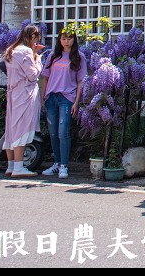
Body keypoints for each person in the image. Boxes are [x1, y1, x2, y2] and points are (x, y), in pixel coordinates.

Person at [39, 28, 87, 179]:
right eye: (64, 38)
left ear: (74, 39)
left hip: (67, 98)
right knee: (53, 133)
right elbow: (45, 78)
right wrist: (42, 98)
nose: (67, 41)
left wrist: (76, 102)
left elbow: (81, 81)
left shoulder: (79, 57)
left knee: (63, 132)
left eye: (70, 38)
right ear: (59, 40)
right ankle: (57, 163)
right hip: (51, 97)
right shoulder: (53, 56)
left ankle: (64, 166)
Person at [3, 24, 45, 177]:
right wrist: (38, 58)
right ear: (33, 36)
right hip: (25, 93)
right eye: (36, 38)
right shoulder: (26, 51)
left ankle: (11, 166)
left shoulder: (11, 50)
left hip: (13, 93)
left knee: (11, 129)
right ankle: (19, 168)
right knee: (22, 128)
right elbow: (33, 75)